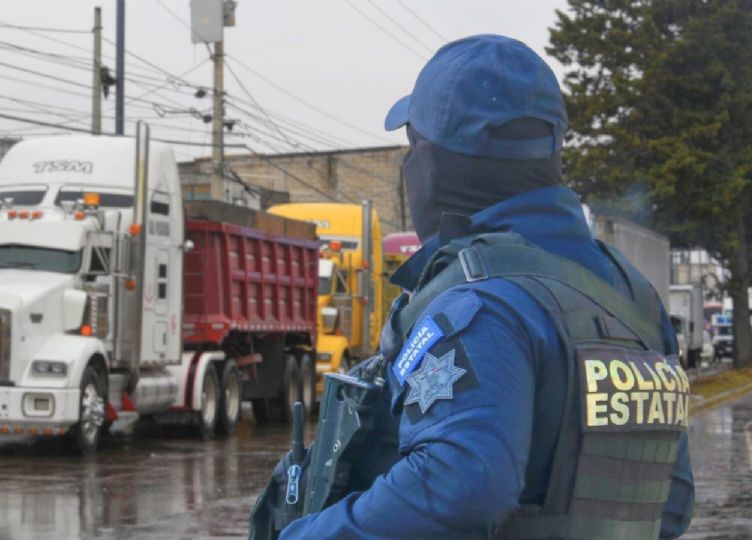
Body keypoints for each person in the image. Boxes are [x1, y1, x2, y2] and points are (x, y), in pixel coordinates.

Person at [274, 34, 694, 539]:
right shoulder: (633, 296)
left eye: (414, 145)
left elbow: (463, 485)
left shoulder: (480, 304)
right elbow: (673, 502)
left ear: (438, 162)